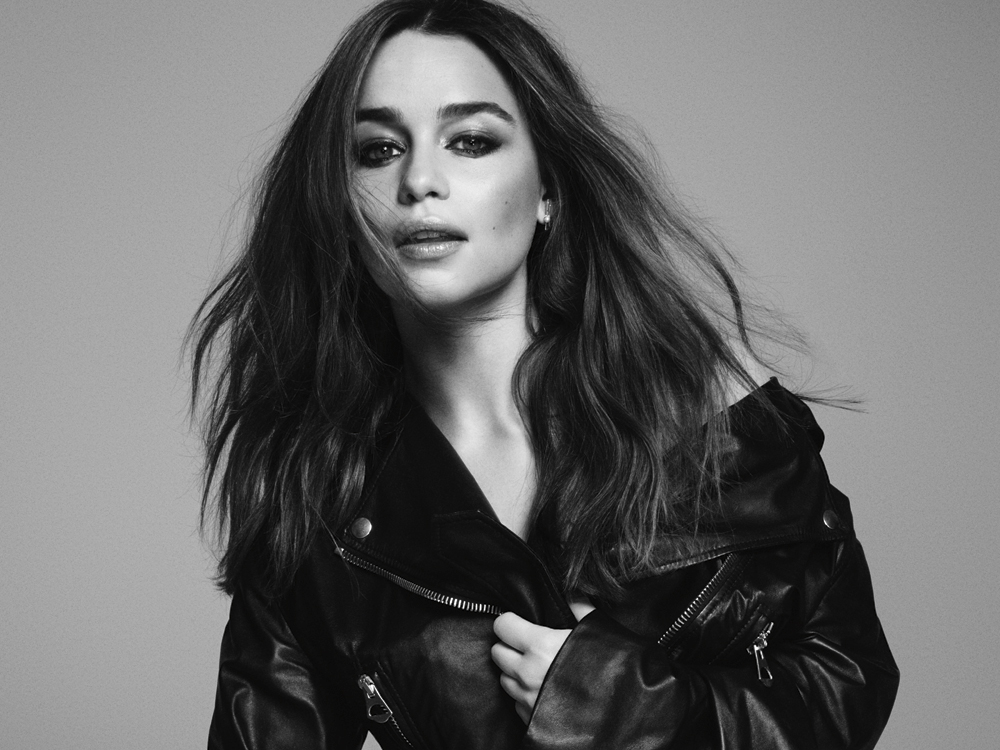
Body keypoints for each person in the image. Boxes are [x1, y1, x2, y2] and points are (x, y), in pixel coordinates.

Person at [191, 0, 899, 747]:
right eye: (378, 150)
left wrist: (634, 709)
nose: (419, 180)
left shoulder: (710, 418)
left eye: (470, 141)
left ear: (548, 190)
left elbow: (843, 691)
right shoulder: (323, 489)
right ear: (337, 201)